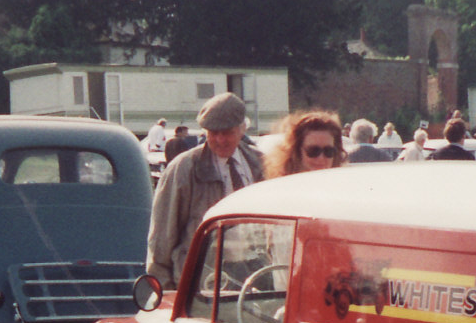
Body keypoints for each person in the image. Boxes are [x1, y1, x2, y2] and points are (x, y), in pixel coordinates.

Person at [147, 92, 263, 287]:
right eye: (212, 133)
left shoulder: (260, 164)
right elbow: (162, 238)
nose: (220, 140)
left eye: (227, 132)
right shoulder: (184, 168)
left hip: (255, 275)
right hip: (201, 281)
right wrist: (164, 290)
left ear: (242, 129)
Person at [265, 109, 346, 177]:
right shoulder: (279, 189)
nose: (321, 158)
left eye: (329, 151)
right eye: (313, 151)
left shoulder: (343, 188)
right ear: (296, 152)